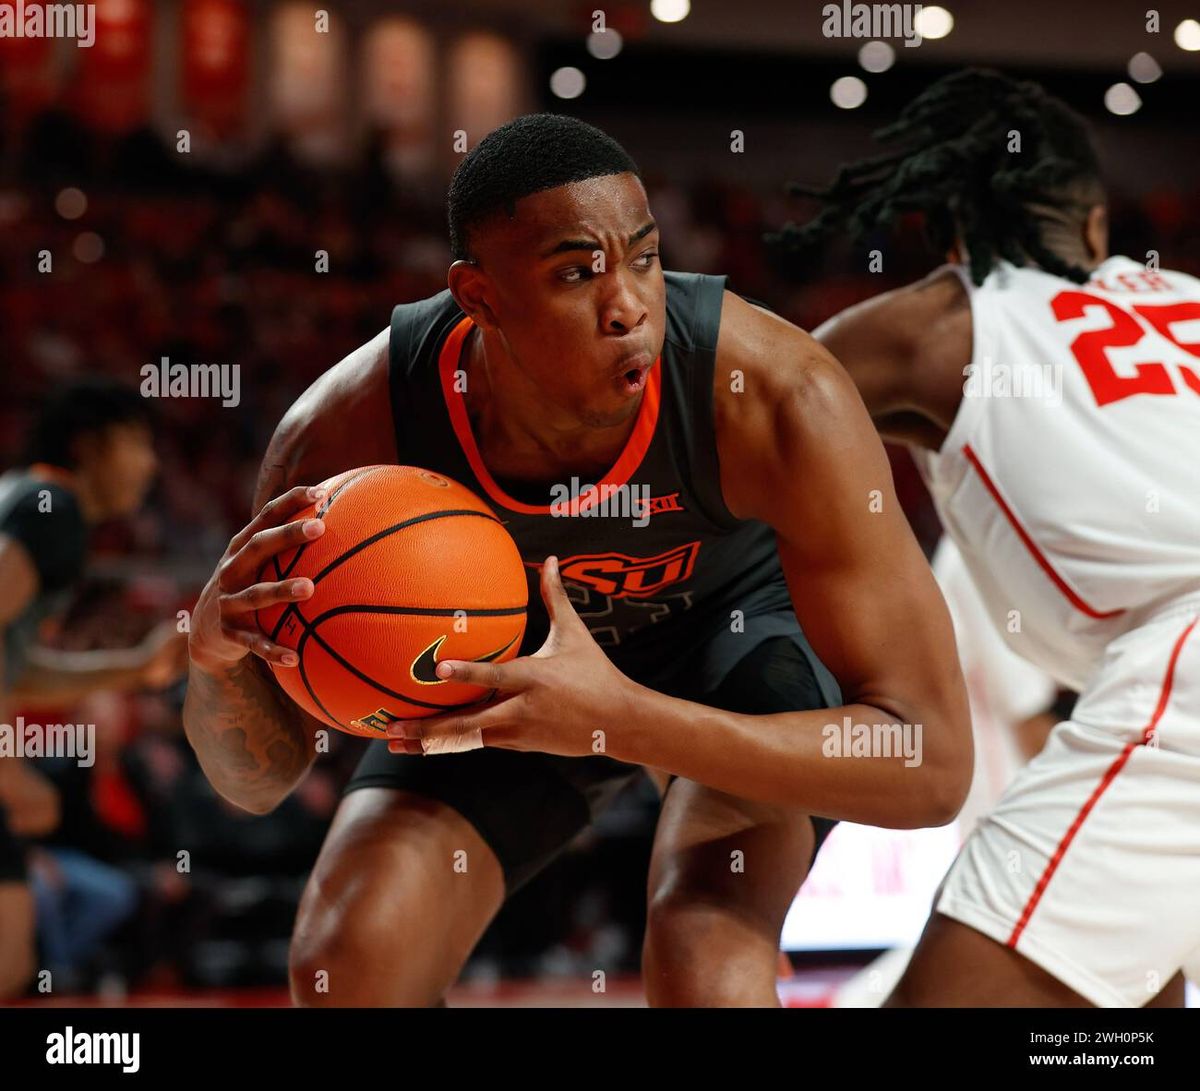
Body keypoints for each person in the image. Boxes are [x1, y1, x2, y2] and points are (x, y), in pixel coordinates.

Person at [183, 113, 972, 1008]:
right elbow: (258, 781)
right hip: (506, 676)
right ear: (476, 295)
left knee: (705, 961)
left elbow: (932, 764)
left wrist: (621, 717)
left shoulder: (781, 395)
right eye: (577, 273)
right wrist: (214, 660)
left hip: (736, 653)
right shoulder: (346, 435)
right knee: (349, 961)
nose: (629, 304)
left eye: (644, 257)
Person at [775, 68, 1200, 1007]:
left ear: (947, 238)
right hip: (1157, 678)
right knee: (1126, 1004)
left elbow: (751, 395)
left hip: (1188, 671)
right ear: (1096, 230)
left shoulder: (938, 319)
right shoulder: (1186, 295)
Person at [0, 378, 187, 998]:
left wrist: (135, 666)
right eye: (136, 444)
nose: (151, 464)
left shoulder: (29, 502)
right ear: (89, 446)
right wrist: (5, 766)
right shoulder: (55, 508)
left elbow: (17, 669)